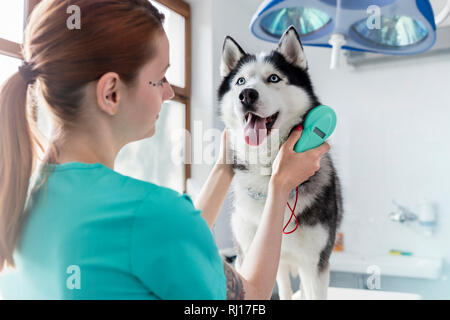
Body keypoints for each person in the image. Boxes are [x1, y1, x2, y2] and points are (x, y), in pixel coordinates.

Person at [0, 0, 329, 300]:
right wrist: (280, 185)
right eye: (160, 78)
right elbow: (250, 298)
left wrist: (224, 168)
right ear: (111, 93)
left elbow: (171, 242)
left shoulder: (20, 190)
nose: (169, 92)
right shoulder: (151, 213)